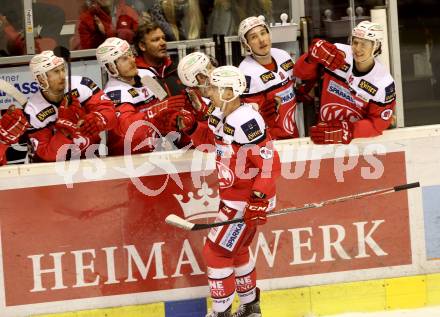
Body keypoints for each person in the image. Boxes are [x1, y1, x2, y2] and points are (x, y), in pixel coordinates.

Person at [176, 65, 281, 317]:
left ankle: (221, 312)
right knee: (237, 250)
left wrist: (258, 200)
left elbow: (270, 164)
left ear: (229, 91)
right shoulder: (219, 114)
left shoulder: (247, 120)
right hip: (235, 199)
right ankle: (250, 308)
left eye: (213, 87)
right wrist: (192, 129)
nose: (208, 91)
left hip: (245, 201)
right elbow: (209, 142)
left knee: (216, 251)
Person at [294, 21, 396, 144]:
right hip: (324, 133)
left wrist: (348, 131)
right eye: (355, 42)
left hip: (358, 143)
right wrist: (310, 58)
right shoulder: (338, 54)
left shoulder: (384, 83)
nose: (357, 48)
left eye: (364, 44)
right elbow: (300, 73)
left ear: (376, 46)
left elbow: (378, 124)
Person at [96, 37, 189, 155]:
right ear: (111, 67)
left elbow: (166, 104)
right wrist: (154, 112)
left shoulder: (148, 76)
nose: (132, 60)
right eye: (125, 58)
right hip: (128, 159)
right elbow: (129, 130)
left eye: (131, 55)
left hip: (156, 150)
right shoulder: (113, 93)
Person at [24, 50, 117, 162]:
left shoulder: (82, 85)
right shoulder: (33, 110)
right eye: (56, 72)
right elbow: (47, 155)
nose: (62, 76)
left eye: (63, 69)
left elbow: (110, 113)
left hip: (90, 159)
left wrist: (97, 120)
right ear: (41, 78)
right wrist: (65, 131)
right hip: (56, 170)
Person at [238, 16, 300, 140]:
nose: (261, 40)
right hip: (269, 140)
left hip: (292, 132)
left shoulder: (283, 56)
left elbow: (296, 88)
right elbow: (247, 121)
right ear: (246, 45)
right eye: (253, 37)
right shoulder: (246, 74)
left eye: (263, 33)